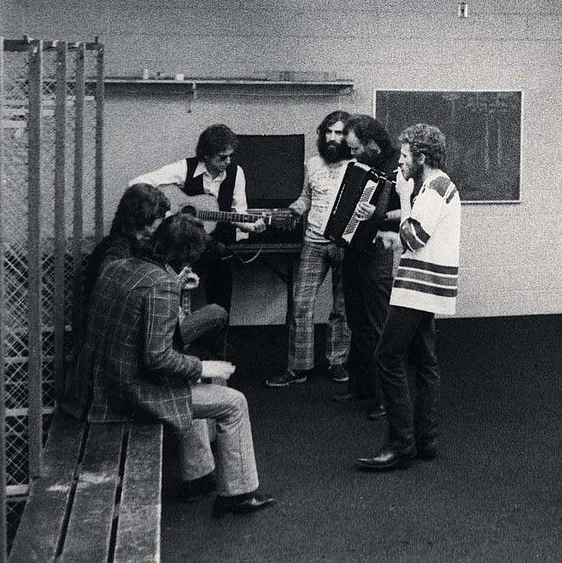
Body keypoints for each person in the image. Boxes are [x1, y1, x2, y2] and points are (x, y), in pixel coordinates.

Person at [64, 212, 275, 514]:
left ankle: (199, 475)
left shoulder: (119, 266)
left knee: (192, 378)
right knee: (233, 402)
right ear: (188, 256)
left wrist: (173, 284)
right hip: (127, 394)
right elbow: (158, 357)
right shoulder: (163, 286)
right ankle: (237, 494)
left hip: (97, 383)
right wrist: (204, 367)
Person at [356, 123, 461, 471]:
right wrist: (395, 236)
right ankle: (425, 442)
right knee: (425, 362)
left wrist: (402, 195)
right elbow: (418, 233)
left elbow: (415, 236)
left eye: (404, 156)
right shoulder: (435, 185)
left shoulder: (434, 187)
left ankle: (401, 443)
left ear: (422, 157)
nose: (399, 162)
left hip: (419, 285)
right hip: (427, 283)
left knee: (387, 356)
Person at [72, 183, 229, 408]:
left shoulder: (121, 246)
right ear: (141, 223)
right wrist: (173, 287)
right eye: (156, 224)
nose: (159, 230)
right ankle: (211, 374)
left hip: (132, 343)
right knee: (217, 314)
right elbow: (126, 307)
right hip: (129, 355)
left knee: (210, 327)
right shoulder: (116, 255)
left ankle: (208, 375)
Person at [129, 124, 266, 313]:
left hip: (216, 246)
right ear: (206, 155)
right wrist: (164, 213)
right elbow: (136, 183)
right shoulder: (185, 167)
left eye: (230, 156)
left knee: (221, 299)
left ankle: (216, 338)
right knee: (170, 296)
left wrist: (251, 226)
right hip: (182, 246)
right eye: (222, 157)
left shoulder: (236, 173)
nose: (228, 161)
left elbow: (239, 212)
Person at [265, 111, 352, 388]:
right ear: (322, 134)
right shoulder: (312, 163)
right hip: (313, 242)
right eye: (329, 132)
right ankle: (298, 367)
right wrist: (298, 207)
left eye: (339, 133)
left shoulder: (356, 164)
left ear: (347, 137)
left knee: (342, 307)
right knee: (301, 305)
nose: (333, 138)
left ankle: (337, 361)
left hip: (343, 244)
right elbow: (306, 197)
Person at [331, 114, 403, 421]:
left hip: (378, 251)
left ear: (372, 144)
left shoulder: (399, 167)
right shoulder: (362, 163)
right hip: (354, 248)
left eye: (356, 149)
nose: (352, 155)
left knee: (377, 325)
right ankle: (362, 387)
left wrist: (379, 215)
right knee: (356, 321)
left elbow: (411, 210)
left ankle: (387, 399)